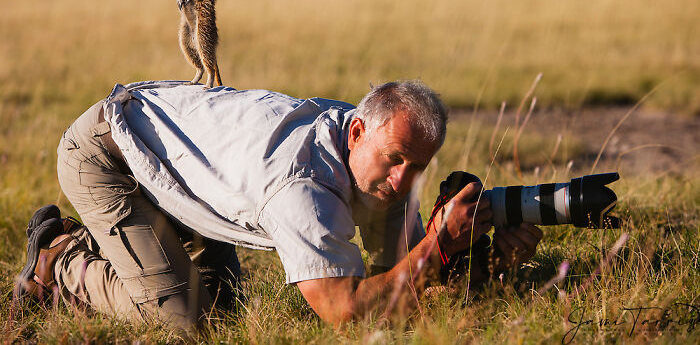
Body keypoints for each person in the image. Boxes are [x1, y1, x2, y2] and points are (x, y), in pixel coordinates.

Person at [15, 80, 542, 328]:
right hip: (108, 154)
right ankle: (59, 258)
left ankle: (116, 246)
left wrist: (489, 261)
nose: (405, 180)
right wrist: (437, 247)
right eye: (397, 159)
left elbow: (403, 288)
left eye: (420, 167)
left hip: (185, 173)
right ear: (357, 131)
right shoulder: (303, 188)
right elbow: (348, 313)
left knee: (225, 314)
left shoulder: (368, 154)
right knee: (184, 325)